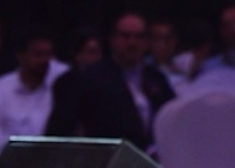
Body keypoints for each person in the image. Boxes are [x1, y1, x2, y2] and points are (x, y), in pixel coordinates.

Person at [45, 11, 176, 153]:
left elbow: (171, 120)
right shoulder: (89, 78)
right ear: (113, 39)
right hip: (107, 158)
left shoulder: (156, 78)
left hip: (151, 160)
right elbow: (61, 131)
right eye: (125, 36)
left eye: (139, 37)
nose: (132, 43)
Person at [0, 25, 69, 149]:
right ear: (21, 56)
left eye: (48, 54)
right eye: (38, 54)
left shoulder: (61, 81)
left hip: (47, 157)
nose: (44, 60)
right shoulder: (3, 88)